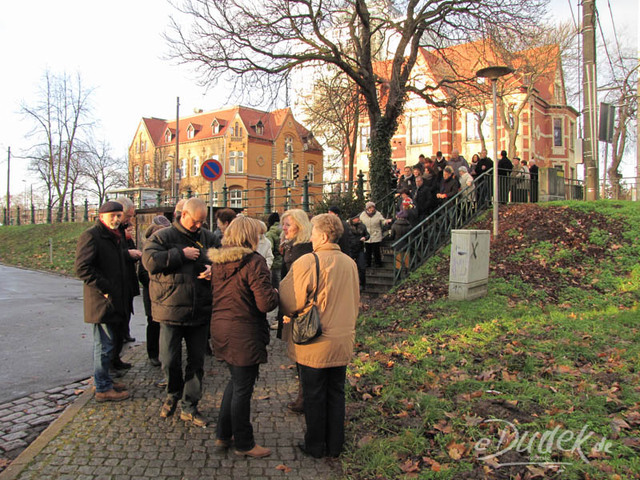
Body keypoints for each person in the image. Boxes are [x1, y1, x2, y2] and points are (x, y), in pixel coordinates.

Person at [280, 213, 360, 459]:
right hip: (342, 339)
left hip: (315, 341)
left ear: (323, 236)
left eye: (314, 233)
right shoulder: (350, 263)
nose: (311, 237)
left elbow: (289, 300)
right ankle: (335, 445)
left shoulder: (307, 262)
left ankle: (315, 446)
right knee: (336, 393)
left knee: (314, 395)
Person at [142, 198, 217, 427]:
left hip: (200, 310)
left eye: (202, 222)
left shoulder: (209, 238)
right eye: (195, 222)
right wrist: (180, 255)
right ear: (183, 215)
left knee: (196, 363)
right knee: (169, 359)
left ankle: (190, 405)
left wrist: (215, 270)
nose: (199, 227)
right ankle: (172, 394)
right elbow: (149, 262)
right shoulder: (163, 237)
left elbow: (224, 259)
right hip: (170, 310)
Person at [208, 216, 279, 458]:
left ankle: (223, 435)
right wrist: (277, 292)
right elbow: (265, 303)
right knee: (242, 389)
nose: (260, 239)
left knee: (235, 382)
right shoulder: (253, 261)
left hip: (221, 327)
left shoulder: (219, 260)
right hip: (243, 331)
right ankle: (244, 443)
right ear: (249, 236)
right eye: (257, 235)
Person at [75, 201, 131, 402]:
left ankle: (104, 379)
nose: (117, 219)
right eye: (112, 215)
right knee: (104, 345)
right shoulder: (92, 235)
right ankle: (102, 387)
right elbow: (82, 268)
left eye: (119, 215)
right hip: (101, 301)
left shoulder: (115, 236)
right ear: (101, 216)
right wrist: (106, 288)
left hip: (114, 299)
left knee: (110, 343)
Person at [278, 209, 314, 411]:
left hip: (300, 310)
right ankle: (304, 396)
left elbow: (297, 285)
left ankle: (305, 399)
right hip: (297, 309)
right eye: (284, 224)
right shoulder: (294, 247)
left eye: (288, 225)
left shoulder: (301, 250)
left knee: (303, 355)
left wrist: (288, 310)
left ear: (300, 227)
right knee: (300, 356)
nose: (284, 229)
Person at [111, 197, 141, 373]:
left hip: (126, 281)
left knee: (123, 319)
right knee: (113, 328)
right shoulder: (111, 232)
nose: (130, 220)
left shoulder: (122, 231)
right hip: (117, 284)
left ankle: (116, 358)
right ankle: (111, 363)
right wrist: (127, 254)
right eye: (128, 216)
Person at [138, 215, 171, 367]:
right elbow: (143, 274)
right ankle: (153, 353)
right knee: (153, 323)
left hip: (165, 292)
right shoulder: (148, 250)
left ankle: (163, 352)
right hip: (152, 292)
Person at [359, 202, 391, 268]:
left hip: (376, 234)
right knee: (368, 250)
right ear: (367, 208)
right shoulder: (363, 215)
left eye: (372, 207)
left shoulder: (378, 214)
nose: (371, 209)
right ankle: (368, 263)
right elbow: (360, 222)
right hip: (367, 235)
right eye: (370, 207)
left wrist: (386, 222)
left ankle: (378, 263)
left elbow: (382, 220)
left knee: (376, 250)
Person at [347, 215, 369, 289]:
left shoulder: (362, 226)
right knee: (349, 268)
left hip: (360, 249)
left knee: (362, 267)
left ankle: (362, 284)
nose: (358, 219)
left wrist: (365, 238)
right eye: (356, 218)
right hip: (350, 249)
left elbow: (368, 235)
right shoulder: (347, 227)